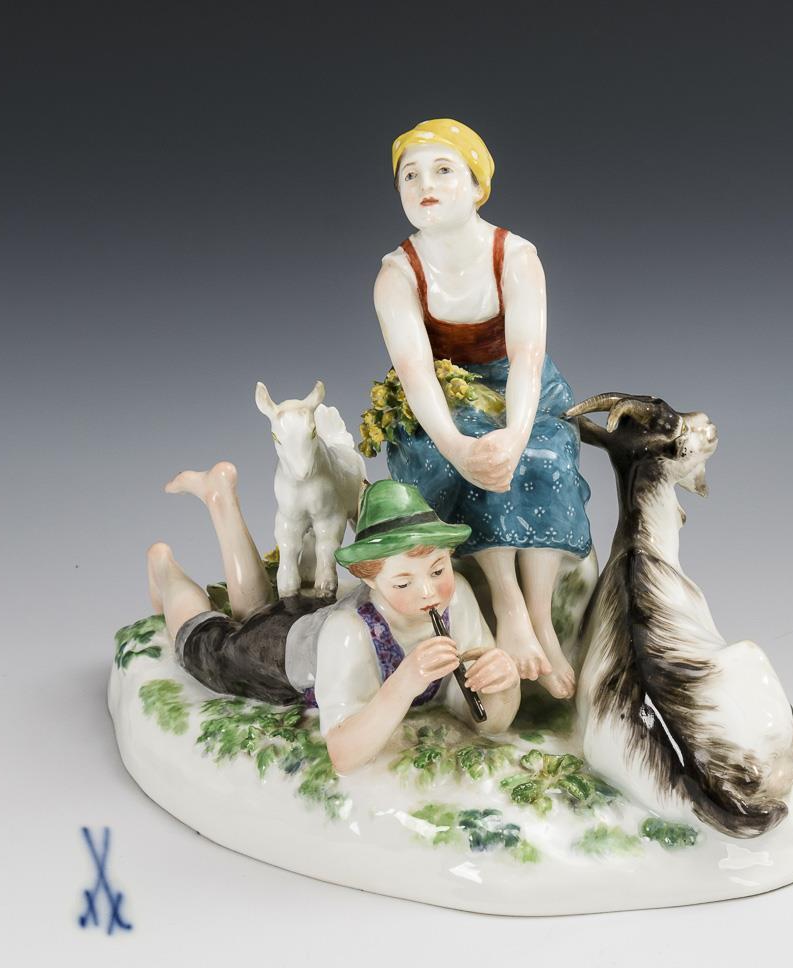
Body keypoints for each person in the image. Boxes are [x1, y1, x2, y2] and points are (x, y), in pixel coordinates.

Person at [374, 117, 591, 700]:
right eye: (410, 175)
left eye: (444, 170)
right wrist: (457, 448)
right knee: (462, 461)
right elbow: (416, 373)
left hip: (521, 390)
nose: (426, 184)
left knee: (544, 455)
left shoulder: (515, 256)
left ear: (476, 186)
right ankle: (508, 602)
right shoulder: (397, 274)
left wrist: (516, 435)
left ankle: (541, 616)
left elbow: (527, 357)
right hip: (443, 399)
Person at [146, 466, 520, 772]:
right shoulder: (350, 633)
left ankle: (219, 496)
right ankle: (166, 570)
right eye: (404, 582)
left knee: (255, 610)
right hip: (280, 655)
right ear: (370, 579)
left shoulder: (458, 598)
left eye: (438, 571)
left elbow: (482, 715)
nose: (428, 592)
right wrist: (404, 684)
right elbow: (343, 753)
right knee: (211, 640)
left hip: (316, 623)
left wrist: (502, 683)